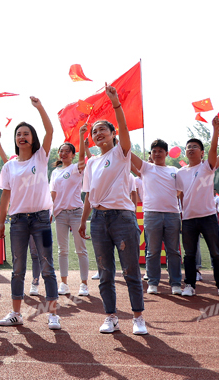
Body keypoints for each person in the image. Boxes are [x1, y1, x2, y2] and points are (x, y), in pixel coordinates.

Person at [78, 84, 147, 335]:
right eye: (94, 132)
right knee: (105, 272)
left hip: (122, 219)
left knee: (130, 270)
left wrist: (116, 103)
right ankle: (111, 316)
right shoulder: (91, 163)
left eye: (102, 130)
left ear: (112, 134)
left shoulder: (121, 153)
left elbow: (125, 129)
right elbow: (89, 194)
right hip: (98, 220)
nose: (98, 134)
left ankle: (138, 318)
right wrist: (83, 221)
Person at [0, 97, 60, 330]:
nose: (22, 137)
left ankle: (53, 314)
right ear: (15, 140)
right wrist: (1, 222)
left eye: (26, 134)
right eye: (18, 134)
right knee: (17, 269)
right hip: (18, 222)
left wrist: (40, 108)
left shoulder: (40, 157)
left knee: (47, 267)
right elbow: (5, 195)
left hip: (41, 219)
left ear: (32, 138)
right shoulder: (9, 166)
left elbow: (50, 130)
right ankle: (16, 313)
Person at [176, 116, 219, 298]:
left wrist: (216, 131)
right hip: (189, 219)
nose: (191, 149)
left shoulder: (208, 166)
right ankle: (189, 285)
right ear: (185, 152)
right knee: (189, 255)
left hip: (208, 217)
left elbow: (218, 150)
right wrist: (182, 214)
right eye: (188, 147)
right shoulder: (180, 173)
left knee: (216, 253)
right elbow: (180, 195)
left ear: (201, 153)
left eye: (195, 146)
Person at [131, 140, 182, 295]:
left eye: (160, 151)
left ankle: (176, 283)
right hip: (152, 214)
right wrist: (116, 140)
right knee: (152, 251)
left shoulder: (174, 170)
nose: (157, 154)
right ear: (151, 154)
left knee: (173, 251)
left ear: (166, 153)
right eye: (154, 151)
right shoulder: (146, 168)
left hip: (172, 214)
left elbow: (180, 190)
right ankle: (153, 282)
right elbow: (129, 154)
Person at [0, 131, 41, 292]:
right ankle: (18, 288)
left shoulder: (36, 161)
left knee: (35, 253)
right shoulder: (12, 166)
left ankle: (35, 282)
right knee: (19, 256)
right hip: (18, 216)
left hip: (36, 215)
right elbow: (6, 161)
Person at [50, 142, 90, 297]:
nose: (64, 153)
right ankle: (64, 283)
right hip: (60, 214)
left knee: (81, 249)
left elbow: (82, 158)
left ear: (73, 154)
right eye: (61, 151)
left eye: (67, 151)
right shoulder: (55, 172)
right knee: (62, 250)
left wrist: (81, 137)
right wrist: (51, 211)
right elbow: (53, 193)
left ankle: (84, 284)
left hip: (76, 213)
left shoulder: (75, 168)